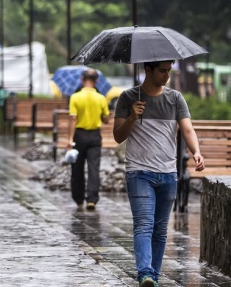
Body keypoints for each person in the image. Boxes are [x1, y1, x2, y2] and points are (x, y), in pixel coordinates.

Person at [113, 60, 205, 287]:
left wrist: (196, 151)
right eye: (162, 71)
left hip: (168, 174)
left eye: (168, 71)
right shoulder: (127, 98)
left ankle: (152, 277)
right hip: (139, 173)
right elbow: (117, 136)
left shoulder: (175, 98)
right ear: (148, 70)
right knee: (144, 224)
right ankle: (144, 273)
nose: (167, 75)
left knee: (160, 229)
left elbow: (187, 129)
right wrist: (133, 117)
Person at [67, 69, 109, 210]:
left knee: (77, 168)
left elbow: (73, 119)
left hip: (79, 135)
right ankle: (92, 199)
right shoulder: (101, 98)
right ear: (96, 81)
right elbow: (106, 119)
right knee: (93, 168)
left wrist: (70, 139)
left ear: (82, 79)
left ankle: (78, 199)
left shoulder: (75, 97)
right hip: (95, 136)